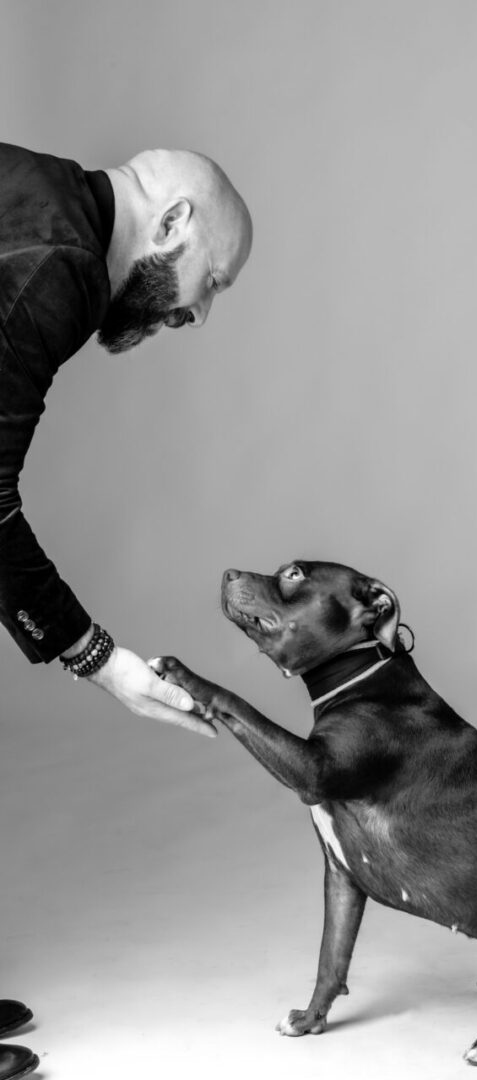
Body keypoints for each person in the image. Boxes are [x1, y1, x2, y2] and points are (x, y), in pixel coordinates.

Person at [0, 142, 252, 1080]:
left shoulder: (42, 194)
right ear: (174, 223)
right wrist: (100, 660)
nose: (196, 313)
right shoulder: (57, 261)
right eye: (210, 281)